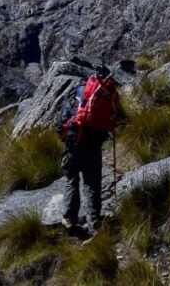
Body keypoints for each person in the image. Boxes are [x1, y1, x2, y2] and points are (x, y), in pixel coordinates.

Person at [58, 64, 124, 234]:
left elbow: (61, 120)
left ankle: (69, 219)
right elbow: (115, 119)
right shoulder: (109, 95)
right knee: (92, 185)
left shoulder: (80, 93)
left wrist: (64, 136)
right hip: (94, 145)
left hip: (75, 144)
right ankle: (94, 223)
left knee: (72, 181)